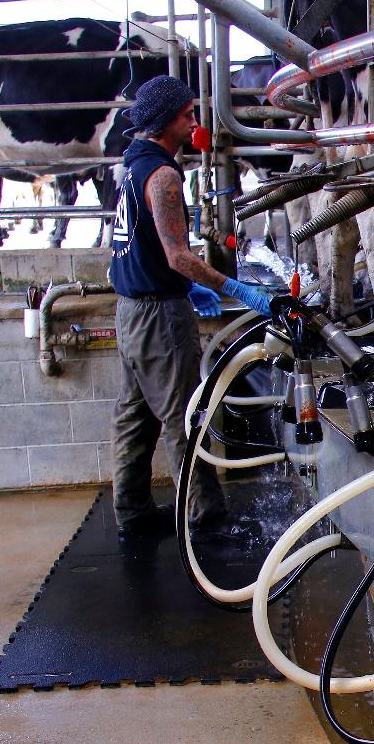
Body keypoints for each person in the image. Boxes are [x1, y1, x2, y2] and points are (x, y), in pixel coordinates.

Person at [109, 75, 271, 536]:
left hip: (129, 311)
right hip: (159, 316)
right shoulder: (162, 177)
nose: (195, 123)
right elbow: (178, 255)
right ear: (165, 122)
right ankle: (206, 516)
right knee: (184, 416)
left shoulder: (132, 166)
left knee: (134, 417)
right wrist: (238, 291)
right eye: (187, 116)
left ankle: (133, 513)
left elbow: (130, 243)